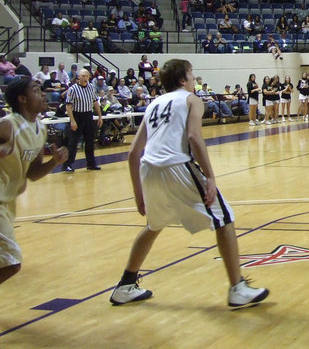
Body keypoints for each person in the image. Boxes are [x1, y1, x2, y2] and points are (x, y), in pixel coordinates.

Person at [108, 59, 268, 308]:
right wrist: (210, 177)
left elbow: (132, 153)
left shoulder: (154, 104)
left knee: (154, 224)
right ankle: (237, 287)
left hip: (149, 169)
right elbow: (194, 136)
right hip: (177, 165)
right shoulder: (191, 99)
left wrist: (138, 194)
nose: (194, 79)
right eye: (192, 75)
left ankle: (125, 285)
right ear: (183, 80)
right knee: (224, 218)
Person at [0, 78, 68, 285]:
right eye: (36, 91)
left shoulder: (41, 128)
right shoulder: (9, 125)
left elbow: (33, 174)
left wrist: (53, 163)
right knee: (11, 262)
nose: (43, 95)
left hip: (9, 202)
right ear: (22, 99)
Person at [63, 68, 104, 172]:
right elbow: (68, 106)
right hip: (77, 116)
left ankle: (91, 164)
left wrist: (100, 116)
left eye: (87, 76)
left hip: (88, 115)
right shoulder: (73, 89)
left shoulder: (91, 87)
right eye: (83, 76)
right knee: (73, 142)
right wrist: (72, 120)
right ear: (79, 77)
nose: (85, 78)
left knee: (90, 141)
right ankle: (68, 164)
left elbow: (95, 102)